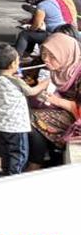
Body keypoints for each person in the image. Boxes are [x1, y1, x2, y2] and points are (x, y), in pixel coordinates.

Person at [28, 33, 81, 167]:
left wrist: (56, 101)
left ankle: (35, 164)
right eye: (44, 54)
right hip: (64, 110)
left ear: (66, 54)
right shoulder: (54, 67)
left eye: (52, 56)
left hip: (76, 115)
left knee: (33, 118)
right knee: (26, 111)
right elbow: (29, 80)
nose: (46, 59)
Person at [0, 45, 34, 175]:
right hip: (17, 126)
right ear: (13, 64)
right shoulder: (15, 81)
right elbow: (31, 91)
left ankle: (7, 176)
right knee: (19, 155)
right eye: (18, 61)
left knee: (7, 154)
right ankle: (14, 178)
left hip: (3, 124)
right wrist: (45, 83)